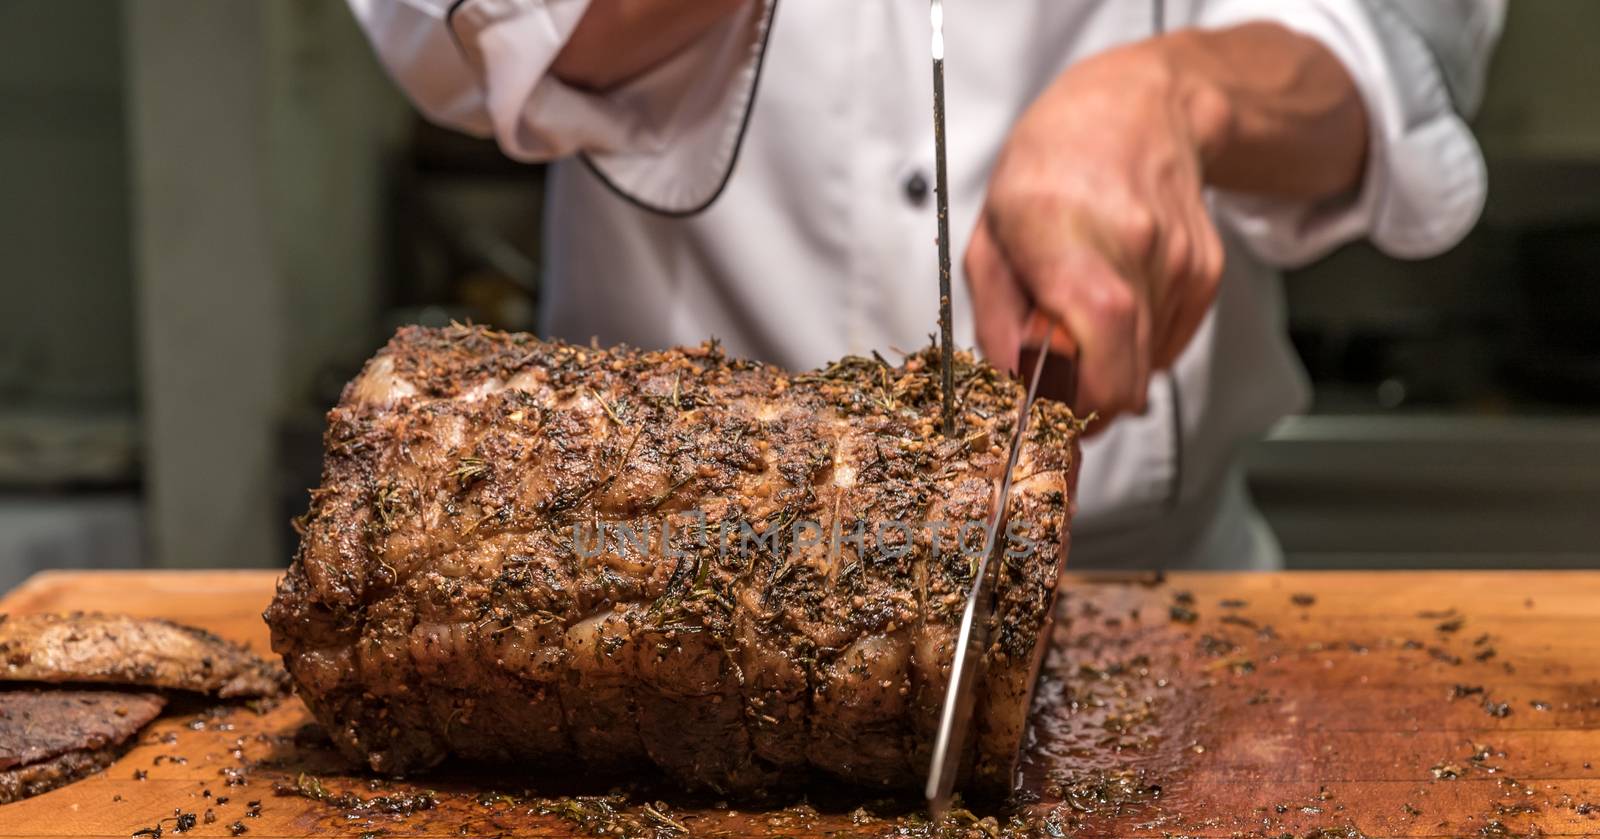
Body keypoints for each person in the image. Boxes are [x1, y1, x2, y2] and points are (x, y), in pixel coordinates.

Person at [348, 0, 1503, 569]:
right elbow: (463, 36)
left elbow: (1401, 45)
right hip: (636, 586)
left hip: (1147, 591)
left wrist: (1183, 97)